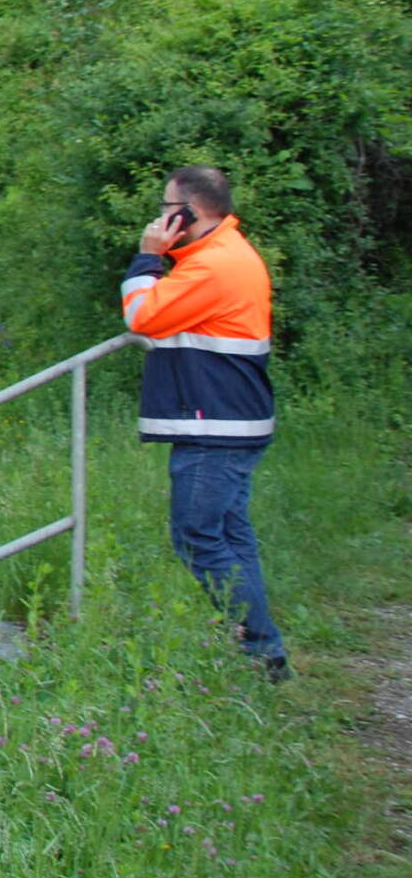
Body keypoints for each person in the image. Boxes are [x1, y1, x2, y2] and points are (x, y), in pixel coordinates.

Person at [120, 165, 287, 679]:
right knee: (230, 536)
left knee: (197, 536)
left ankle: (261, 651)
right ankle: (259, 648)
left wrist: (148, 255)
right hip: (230, 419)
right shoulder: (221, 256)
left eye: (167, 210)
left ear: (189, 212)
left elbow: (141, 315)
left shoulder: (213, 266)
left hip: (216, 425)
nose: (160, 218)